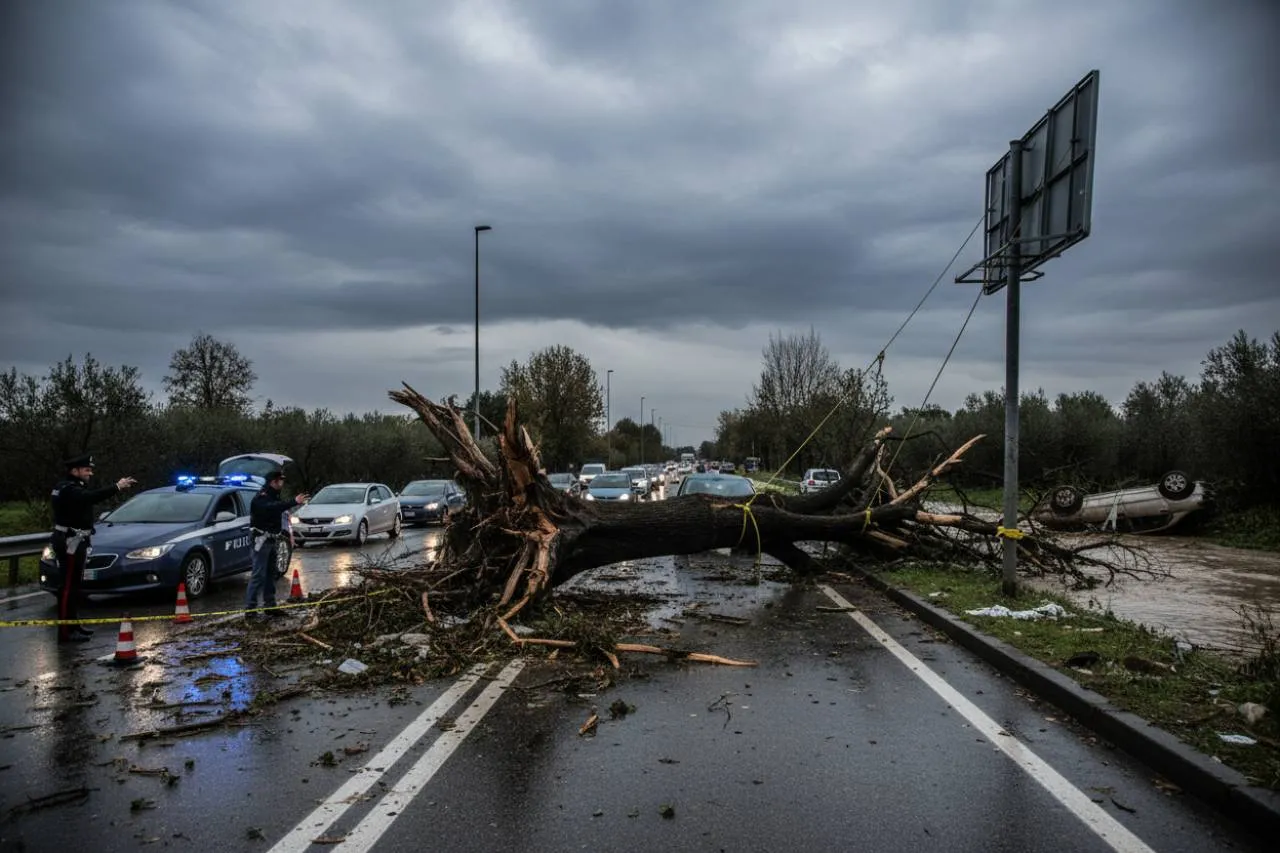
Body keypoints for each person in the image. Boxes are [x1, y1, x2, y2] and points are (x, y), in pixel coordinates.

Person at [50, 454, 136, 643]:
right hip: (70, 541)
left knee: (74, 587)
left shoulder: (70, 487)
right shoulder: (68, 489)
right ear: (75, 471)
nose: (91, 473)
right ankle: (66, 632)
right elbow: (90, 498)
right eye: (87, 469)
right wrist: (116, 487)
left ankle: (74, 625)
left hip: (75, 539)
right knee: (67, 588)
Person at [246, 470, 309, 618]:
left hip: (272, 539)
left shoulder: (273, 495)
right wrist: (294, 501)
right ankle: (250, 610)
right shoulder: (262, 497)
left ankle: (270, 606)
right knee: (258, 575)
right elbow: (273, 507)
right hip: (260, 540)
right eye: (280, 480)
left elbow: (279, 508)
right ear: (273, 482)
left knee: (271, 574)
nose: (282, 483)